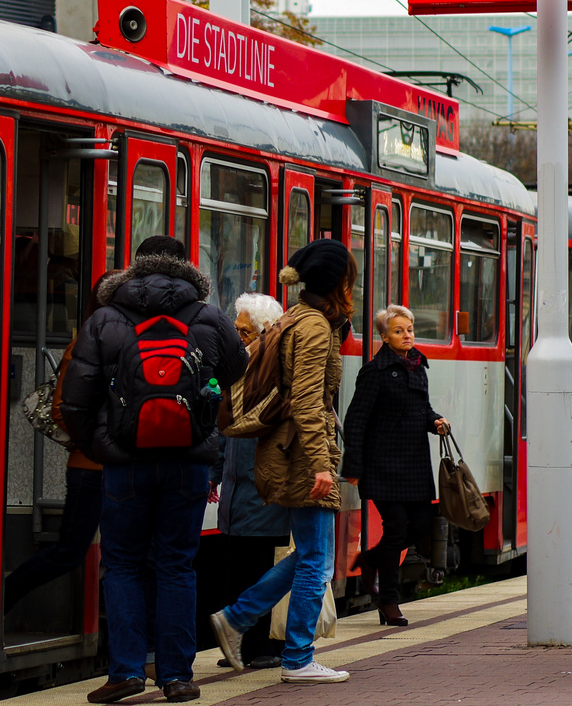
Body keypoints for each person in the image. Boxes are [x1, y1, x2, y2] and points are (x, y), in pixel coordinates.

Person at [61, 236, 246, 704]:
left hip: (125, 465)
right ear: (186, 267)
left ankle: (125, 669)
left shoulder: (105, 318)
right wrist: (202, 411)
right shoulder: (208, 316)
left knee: (122, 564)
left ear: (136, 267)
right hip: (188, 464)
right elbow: (237, 372)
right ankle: (177, 676)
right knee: (177, 566)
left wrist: (103, 447)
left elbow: (75, 400)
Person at [209, 240, 356, 685]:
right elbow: (309, 401)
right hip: (301, 456)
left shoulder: (301, 319)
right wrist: (321, 465)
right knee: (317, 562)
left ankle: (236, 619)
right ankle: (297, 657)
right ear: (337, 283)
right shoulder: (312, 327)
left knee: (312, 554)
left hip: (291, 451)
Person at [3, 276, 110, 613]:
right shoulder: (84, 346)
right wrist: (98, 443)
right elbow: (62, 409)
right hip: (91, 467)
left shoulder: (114, 343)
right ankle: (2, 598)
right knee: (69, 551)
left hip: (106, 466)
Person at [340, 302, 449, 628]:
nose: (407, 335)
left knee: (422, 525)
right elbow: (355, 420)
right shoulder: (374, 372)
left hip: (414, 464)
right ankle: (389, 602)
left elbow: (423, 410)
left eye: (410, 330)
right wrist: (354, 468)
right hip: (383, 465)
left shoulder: (418, 366)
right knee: (397, 528)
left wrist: (436, 421)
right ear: (384, 337)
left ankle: (371, 559)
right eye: (399, 331)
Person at [206, 293, 289, 669]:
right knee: (239, 567)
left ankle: (261, 648)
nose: (237, 336)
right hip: (238, 491)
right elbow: (224, 431)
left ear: (264, 332)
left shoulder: (273, 371)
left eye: (244, 331)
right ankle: (240, 646)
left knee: (260, 567)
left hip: (262, 490)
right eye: (236, 329)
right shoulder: (235, 369)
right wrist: (214, 473)